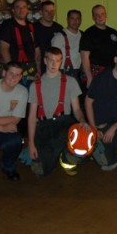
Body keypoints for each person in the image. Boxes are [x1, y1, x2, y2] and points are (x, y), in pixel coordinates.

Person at [26, 47, 88, 177]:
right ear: (45, 61)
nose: (54, 64)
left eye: (58, 61)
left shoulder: (70, 82)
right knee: (41, 172)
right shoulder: (35, 85)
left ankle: (66, 159)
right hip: (44, 126)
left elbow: (77, 109)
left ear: (61, 62)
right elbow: (32, 117)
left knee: (84, 139)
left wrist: (82, 121)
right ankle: (34, 152)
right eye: (51, 60)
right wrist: (31, 143)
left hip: (64, 123)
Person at [0, 0, 40, 85]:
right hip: (15, 69)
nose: (21, 10)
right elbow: (4, 49)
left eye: (24, 7)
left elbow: (37, 51)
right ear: (13, 10)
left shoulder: (31, 26)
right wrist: (11, 71)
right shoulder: (7, 25)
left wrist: (38, 70)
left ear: (27, 10)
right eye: (18, 7)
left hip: (31, 69)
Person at [80, 4, 117, 89]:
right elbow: (84, 57)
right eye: (97, 15)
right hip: (95, 72)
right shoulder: (88, 33)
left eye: (102, 14)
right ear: (93, 17)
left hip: (111, 72)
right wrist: (89, 77)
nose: (100, 17)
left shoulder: (113, 32)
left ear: (106, 16)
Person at [51, 9, 84, 94]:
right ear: (67, 20)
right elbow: (52, 58)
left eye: (77, 18)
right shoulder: (59, 37)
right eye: (72, 18)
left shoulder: (84, 36)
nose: (75, 21)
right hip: (63, 73)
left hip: (79, 74)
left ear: (80, 20)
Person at [33, 0, 64, 74]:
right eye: (47, 11)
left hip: (55, 67)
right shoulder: (33, 28)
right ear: (41, 12)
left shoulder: (59, 28)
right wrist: (38, 70)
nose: (50, 14)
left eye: (52, 11)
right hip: (39, 67)